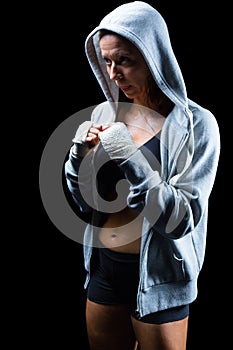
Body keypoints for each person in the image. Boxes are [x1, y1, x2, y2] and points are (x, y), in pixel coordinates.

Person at [64, 1, 220, 349]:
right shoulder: (107, 112)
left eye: (125, 61)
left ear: (154, 57)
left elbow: (180, 218)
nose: (114, 73)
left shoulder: (196, 125)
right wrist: (77, 158)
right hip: (104, 270)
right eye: (106, 61)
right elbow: (83, 204)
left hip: (162, 278)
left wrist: (128, 156)